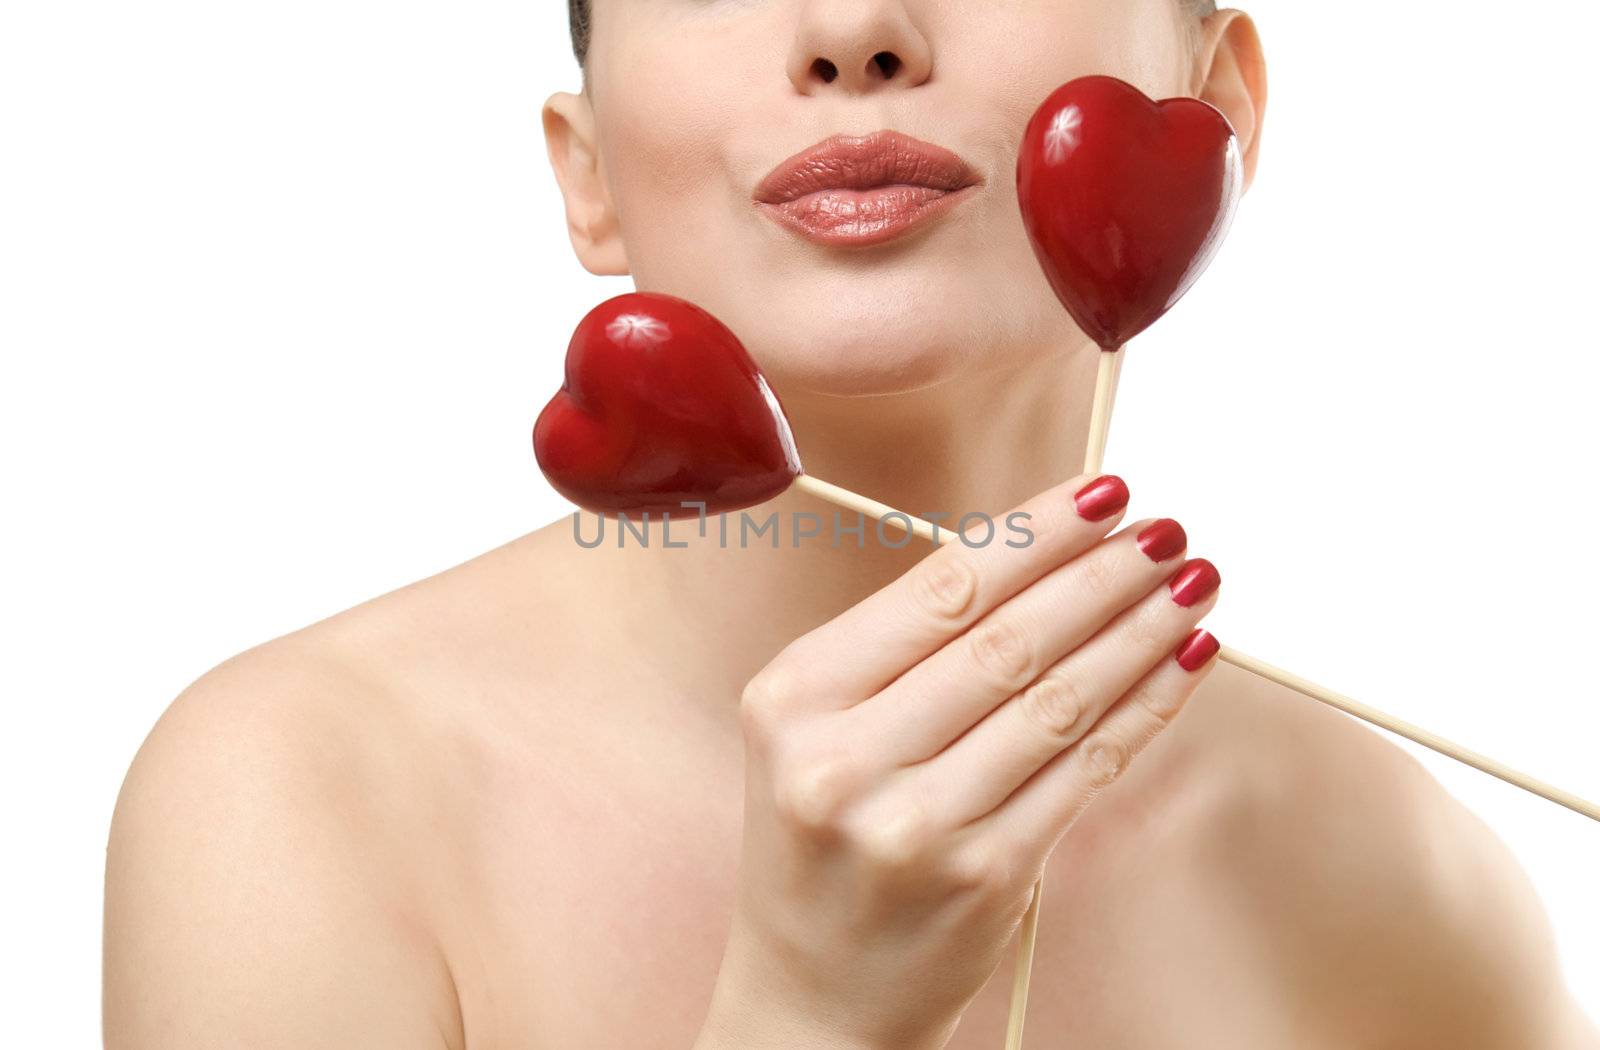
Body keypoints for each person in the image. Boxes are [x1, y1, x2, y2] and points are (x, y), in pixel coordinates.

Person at [103, 1, 1598, 1047]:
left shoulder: (1395, 877)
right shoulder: (292, 803)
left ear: (1219, 108)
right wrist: (811, 1015)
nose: (851, 24)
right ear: (586, 175)